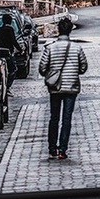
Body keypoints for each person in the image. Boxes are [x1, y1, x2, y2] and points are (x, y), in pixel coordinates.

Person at [38, 16, 88, 160]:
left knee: (54, 117)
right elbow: (83, 67)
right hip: (71, 86)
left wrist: (51, 73)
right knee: (67, 118)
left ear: (58, 30)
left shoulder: (50, 48)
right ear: (70, 30)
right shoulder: (77, 48)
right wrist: (74, 71)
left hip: (55, 87)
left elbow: (42, 68)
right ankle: (63, 149)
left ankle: (52, 147)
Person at [0, 13, 23, 93]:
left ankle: (4, 85)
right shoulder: (10, 29)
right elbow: (13, 41)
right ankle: (7, 86)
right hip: (8, 53)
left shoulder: (0, 29)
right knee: (13, 69)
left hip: (0, 53)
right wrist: (20, 50)